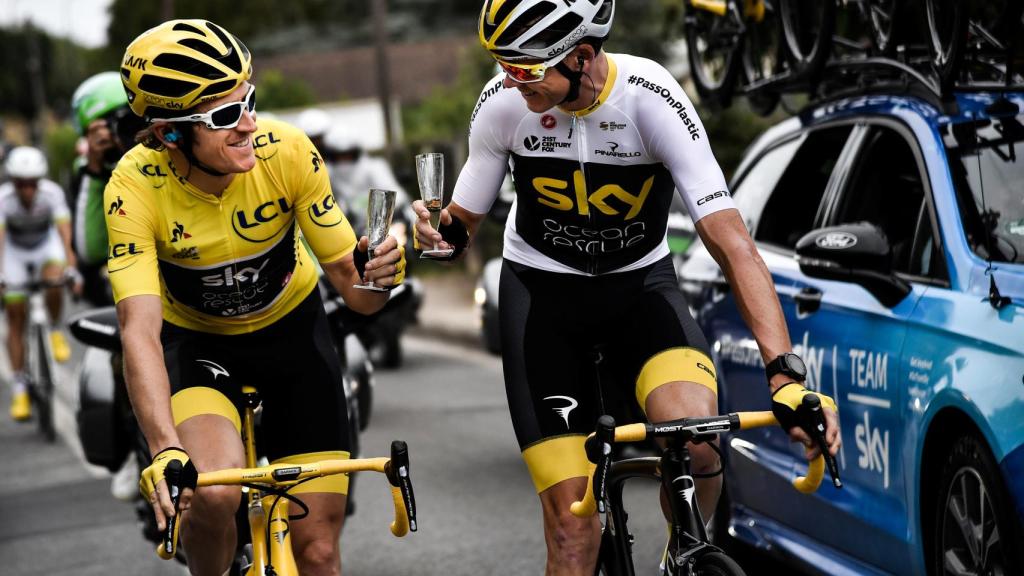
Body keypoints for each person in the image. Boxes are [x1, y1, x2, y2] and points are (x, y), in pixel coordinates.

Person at [412, 1, 841, 574]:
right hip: (544, 303)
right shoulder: (502, 106)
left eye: (526, 69)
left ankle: (683, 554)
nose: (512, 82)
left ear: (582, 56)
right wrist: (436, 236)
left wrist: (784, 375)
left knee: (697, 441)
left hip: (639, 291)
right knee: (572, 530)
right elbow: (459, 227)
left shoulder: (650, 99)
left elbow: (732, 245)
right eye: (503, 67)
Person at [110, 19, 405, 576]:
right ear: (171, 134)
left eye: (248, 100)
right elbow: (139, 331)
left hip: (293, 336)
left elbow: (357, 292)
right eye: (224, 116)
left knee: (317, 552)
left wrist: (378, 277)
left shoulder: (288, 152)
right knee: (215, 495)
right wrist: (164, 448)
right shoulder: (133, 185)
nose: (248, 124)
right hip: (198, 347)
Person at [1, 146, 79, 421]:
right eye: (21, 184)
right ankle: (20, 388)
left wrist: (72, 268)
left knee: (55, 280)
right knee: (15, 316)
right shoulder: (3, 200)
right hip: (14, 252)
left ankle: (55, 330)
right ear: (13, 181)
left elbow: (64, 233)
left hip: (45, 247)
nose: (27, 190)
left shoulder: (52, 193)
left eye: (32, 183)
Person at [69, 71, 144, 307]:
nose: (125, 132)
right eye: (114, 125)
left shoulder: (164, 147)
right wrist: (95, 168)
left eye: (130, 120)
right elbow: (89, 250)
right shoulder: (88, 170)